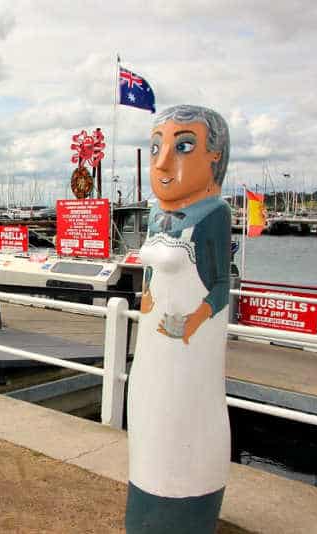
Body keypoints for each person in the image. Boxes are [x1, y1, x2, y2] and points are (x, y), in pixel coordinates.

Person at [126, 105, 232, 533]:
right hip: (152, 352)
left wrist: (194, 320)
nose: (163, 161)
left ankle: (184, 514)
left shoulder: (213, 216)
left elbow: (220, 287)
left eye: (183, 146)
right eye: (156, 147)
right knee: (149, 426)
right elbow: (152, 274)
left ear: (215, 157)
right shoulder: (154, 215)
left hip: (189, 355)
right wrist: (148, 298)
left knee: (182, 426)